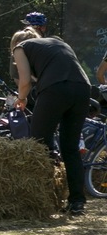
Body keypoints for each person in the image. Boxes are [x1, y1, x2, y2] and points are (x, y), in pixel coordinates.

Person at [11, 29, 91, 215]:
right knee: (70, 148)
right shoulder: (56, 43)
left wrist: (21, 99)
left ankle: (41, 198)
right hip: (82, 88)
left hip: (55, 90)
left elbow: (24, 82)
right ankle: (77, 201)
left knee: (38, 143)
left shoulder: (20, 48)